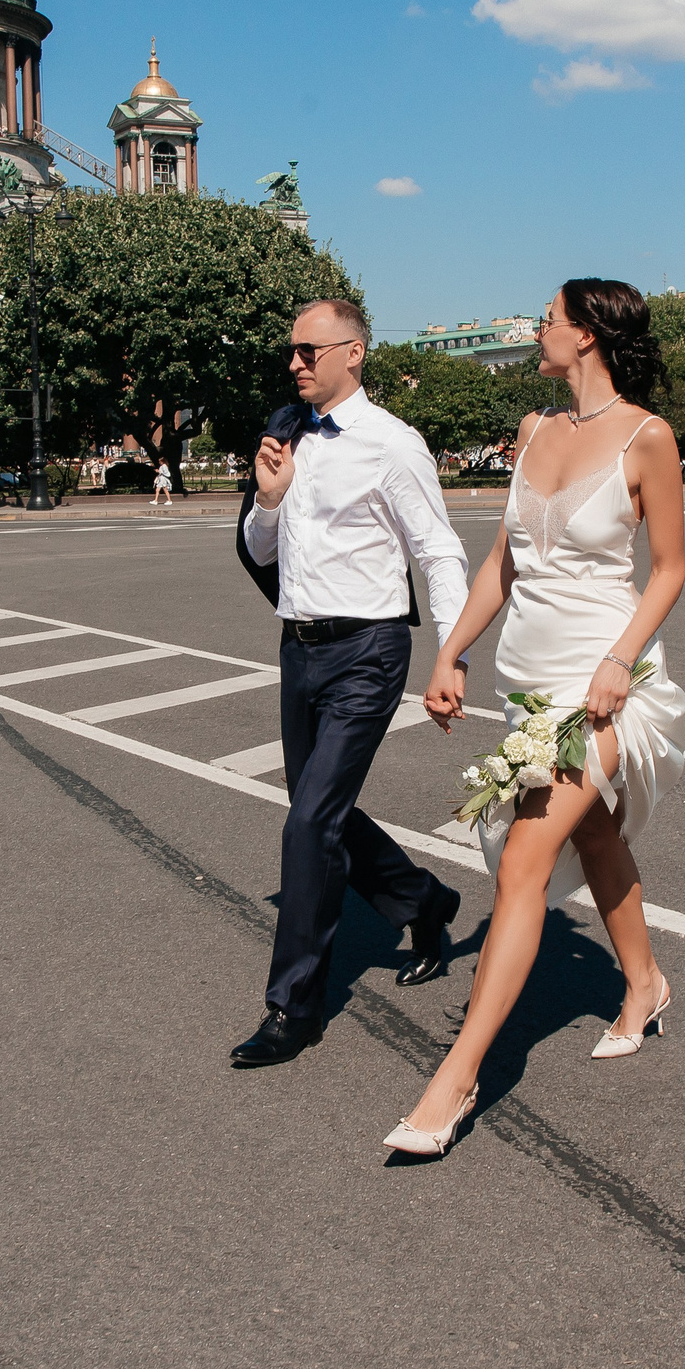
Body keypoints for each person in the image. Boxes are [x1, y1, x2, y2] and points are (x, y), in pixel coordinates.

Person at [392, 278, 685, 1158]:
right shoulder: (534, 432)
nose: (538, 330)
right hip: (531, 683)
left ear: (589, 334)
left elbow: (670, 569)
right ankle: (644, 983)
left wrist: (617, 661)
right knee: (593, 836)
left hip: (604, 685)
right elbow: (503, 564)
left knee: (525, 855)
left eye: (550, 320)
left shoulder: (648, 438)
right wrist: (450, 652)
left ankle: (456, 1078)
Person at [230, 298, 473, 1073]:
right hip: (299, 649)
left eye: (309, 350)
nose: (295, 363)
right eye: (291, 352)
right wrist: (268, 497)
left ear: (354, 352)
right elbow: (259, 549)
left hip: (368, 652)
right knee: (318, 812)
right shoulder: (286, 434)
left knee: (307, 825)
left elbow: (438, 550)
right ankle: (424, 902)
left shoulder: (392, 444)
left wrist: (451, 654)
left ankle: (292, 1007)